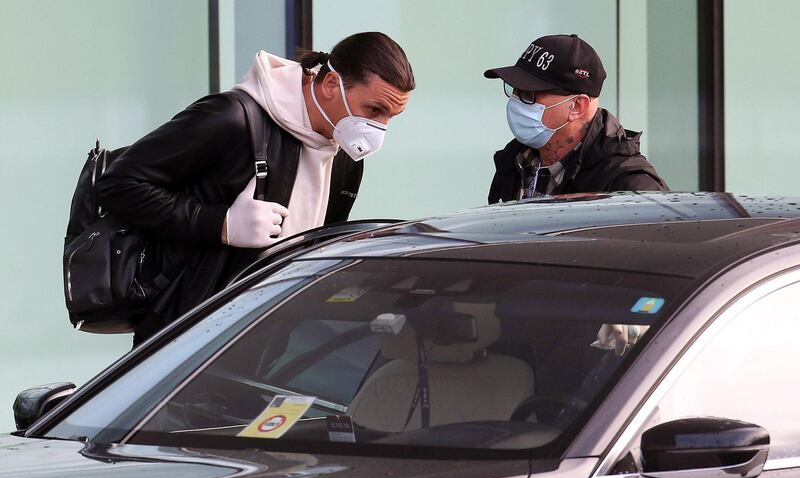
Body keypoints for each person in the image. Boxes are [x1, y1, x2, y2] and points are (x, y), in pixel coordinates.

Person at [95, 32, 415, 346]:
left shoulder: (346, 155)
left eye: (392, 116)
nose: (380, 128)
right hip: (184, 337)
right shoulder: (232, 118)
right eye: (374, 110)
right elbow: (118, 184)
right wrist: (220, 224)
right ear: (331, 84)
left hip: (268, 341)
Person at [484, 33, 667, 203]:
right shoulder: (515, 163)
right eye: (514, 90)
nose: (516, 102)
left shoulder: (630, 187)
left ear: (577, 106)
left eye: (528, 94)